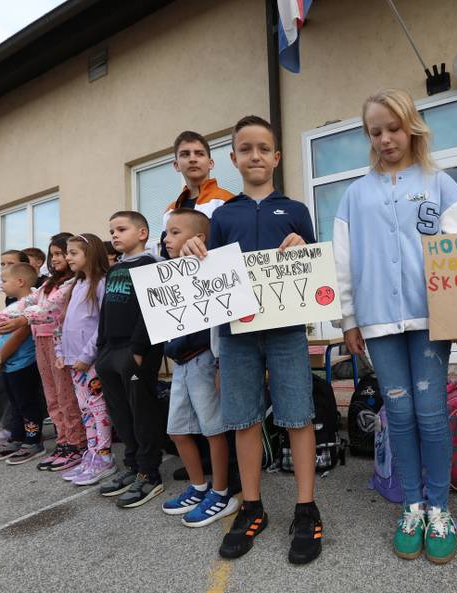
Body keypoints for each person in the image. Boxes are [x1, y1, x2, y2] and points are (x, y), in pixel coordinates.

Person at [333, 89, 457, 564]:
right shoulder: (355, 194)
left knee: (431, 413)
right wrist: (349, 318)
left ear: (411, 126)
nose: (387, 138)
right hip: (378, 320)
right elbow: (343, 260)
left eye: (394, 128)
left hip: (431, 317)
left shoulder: (440, 184)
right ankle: (411, 505)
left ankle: (440, 510)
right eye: (376, 131)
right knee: (401, 414)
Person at [184, 115, 322, 564]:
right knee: (243, 419)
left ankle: (305, 507)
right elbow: (208, 271)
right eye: (247, 149)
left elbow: (314, 266)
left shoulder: (296, 210)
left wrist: (303, 248)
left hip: (285, 333)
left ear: (277, 157)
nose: (256, 156)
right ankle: (252, 506)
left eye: (264, 148)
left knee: (298, 416)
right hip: (238, 333)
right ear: (234, 159)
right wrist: (192, 250)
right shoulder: (223, 215)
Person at [160, 208, 238, 527]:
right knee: (177, 430)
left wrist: (220, 363)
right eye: (166, 233)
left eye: (175, 232)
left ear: (199, 238)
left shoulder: (210, 270)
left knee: (214, 430)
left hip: (204, 359)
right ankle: (198, 485)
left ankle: (221, 492)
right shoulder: (167, 274)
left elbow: (219, 321)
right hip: (180, 362)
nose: (167, 239)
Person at [94, 211, 166, 508]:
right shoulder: (114, 269)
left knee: (141, 411)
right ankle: (133, 466)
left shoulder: (151, 265)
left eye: (121, 229)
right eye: (111, 230)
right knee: (120, 413)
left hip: (136, 352)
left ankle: (150, 474)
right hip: (110, 350)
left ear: (142, 233)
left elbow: (152, 311)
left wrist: (137, 350)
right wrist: (101, 348)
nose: (114, 235)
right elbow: (106, 311)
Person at [0, 234, 84, 472]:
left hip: (61, 343)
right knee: (52, 396)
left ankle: (76, 443)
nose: (57, 258)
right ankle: (63, 442)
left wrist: (21, 320)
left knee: (66, 396)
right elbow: (25, 303)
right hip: (41, 342)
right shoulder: (47, 283)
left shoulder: (74, 282)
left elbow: (48, 309)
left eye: (62, 253)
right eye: (53, 254)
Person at [53, 233, 116, 486]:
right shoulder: (76, 285)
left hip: (89, 362)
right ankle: (92, 453)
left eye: (73, 253)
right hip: (74, 362)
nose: (68, 257)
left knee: (97, 408)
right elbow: (63, 323)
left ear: (90, 254)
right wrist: (61, 353)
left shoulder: (100, 283)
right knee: (85, 409)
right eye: (67, 253)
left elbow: (103, 326)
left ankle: (104, 457)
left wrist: (86, 356)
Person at [0, 263, 45, 464]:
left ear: (20, 281)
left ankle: (33, 441)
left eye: (4, 281)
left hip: (23, 364)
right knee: (15, 404)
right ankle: (17, 437)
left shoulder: (30, 306)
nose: (1, 285)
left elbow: (20, 335)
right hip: (10, 365)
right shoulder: (14, 305)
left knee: (27, 404)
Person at [157, 130, 234, 259]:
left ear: (211, 163)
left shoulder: (228, 201)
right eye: (185, 154)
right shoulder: (170, 211)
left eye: (199, 154)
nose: (192, 159)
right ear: (176, 165)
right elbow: (166, 258)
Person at [0, 248, 30, 449]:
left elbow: (21, 331)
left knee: (25, 403)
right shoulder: (12, 298)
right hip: (9, 359)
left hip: (20, 360)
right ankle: (14, 434)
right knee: (6, 395)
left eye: (9, 264)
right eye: (2, 264)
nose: (4, 269)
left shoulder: (30, 298)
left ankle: (29, 438)